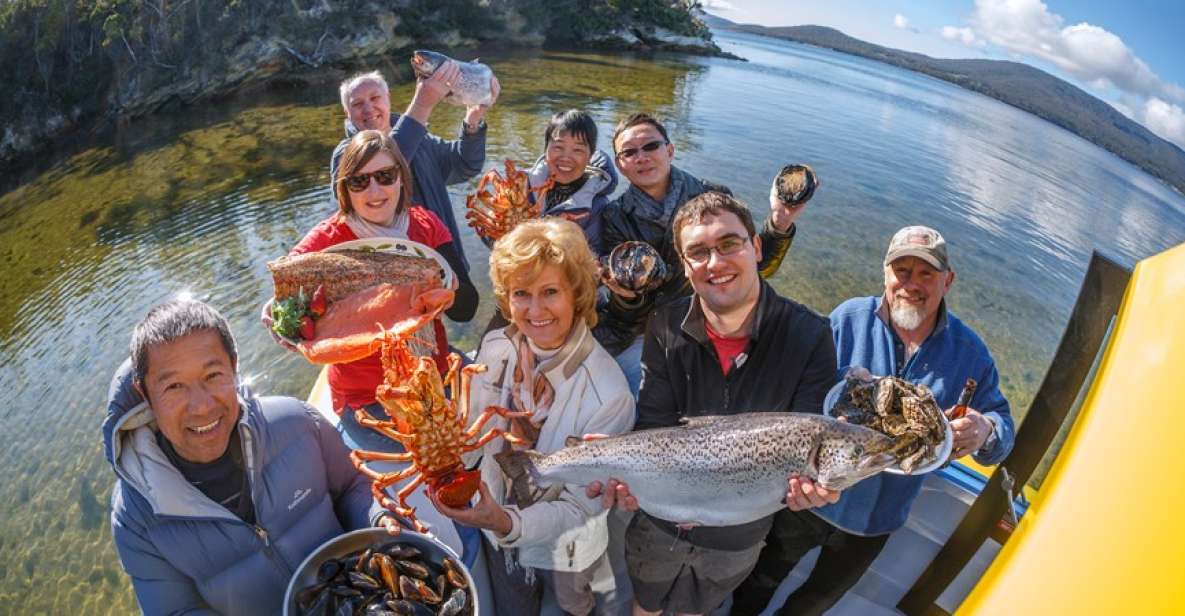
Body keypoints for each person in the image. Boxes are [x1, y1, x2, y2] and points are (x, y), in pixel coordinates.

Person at [730, 225, 1017, 616]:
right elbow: (802, 389)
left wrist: (985, 431)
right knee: (759, 581)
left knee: (813, 603)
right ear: (885, 273)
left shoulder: (971, 353)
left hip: (875, 521)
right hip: (810, 497)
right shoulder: (848, 318)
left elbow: (1001, 433)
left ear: (947, 281)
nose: (910, 284)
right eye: (902, 271)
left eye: (926, 274)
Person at [588, 192, 837, 616]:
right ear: (685, 267)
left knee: (694, 610)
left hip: (737, 537)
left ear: (756, 247)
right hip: (658, 522)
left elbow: (809, 435)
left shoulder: (812, 336)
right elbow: (654, 422)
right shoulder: (665, 324)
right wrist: (621, 467)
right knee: (645, 604)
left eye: (729, 244)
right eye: (698, 252)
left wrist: (813, 490)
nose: (716, 263)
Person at [103, 299, 396, 615]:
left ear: (233, 365)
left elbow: (353, 484)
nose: (201, 406)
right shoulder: (136, 518)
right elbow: (176, 611)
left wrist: (378, 515)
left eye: (213, 375)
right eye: (174, 386)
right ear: (145, 394)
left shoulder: (298, 423)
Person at [430, 218, 635, 615]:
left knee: (572, 600)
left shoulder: (610, 397)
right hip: (495, 517)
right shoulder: (493, 346)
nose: (535, 310)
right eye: (521, 293)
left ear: (577, 293)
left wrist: (509, 523)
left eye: (550, 292)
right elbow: (472, 436)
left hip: (564, 543)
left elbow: (579, 510)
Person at [596, 112, 817, 395]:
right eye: (629, 152)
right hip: (647, 332)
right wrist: (626, 296)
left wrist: (780, 220)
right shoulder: (616, 216)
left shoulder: (711, 195)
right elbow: (627, 312)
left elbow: (752, 267)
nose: (641, 157)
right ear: (620, 165)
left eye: (651, 146)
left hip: (715, 324)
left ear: (670, 150)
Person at [285, 129, 478, 450]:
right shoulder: (327, 241)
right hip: (368, 398)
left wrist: (452, 292)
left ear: (402, 178)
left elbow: (467, 309)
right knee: (428, 452)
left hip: (435, 375)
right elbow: (286, 286)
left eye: (385, 176)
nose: (375, 190)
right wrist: (276, 315)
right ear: (344, 189)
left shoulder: (425, 225)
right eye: (359, 181)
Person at [331, 67, 499, 266]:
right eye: (357, 104)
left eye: (375, 98)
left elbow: (465, 165)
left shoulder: (421, 139)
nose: (368, 109)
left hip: (449, 260)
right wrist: (422, 104)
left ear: (388, 98)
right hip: (396, 274)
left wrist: (473, 122)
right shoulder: (345, 155)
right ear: (347, 113)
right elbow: (385, 160)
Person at [522, 109, 618, 251]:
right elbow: (494, 240)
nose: (566, 158)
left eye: (577, 150)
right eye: (558, 147)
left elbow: (593, 259)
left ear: (590, 156)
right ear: (546, 149)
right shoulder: (521, 184)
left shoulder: (597, 207)